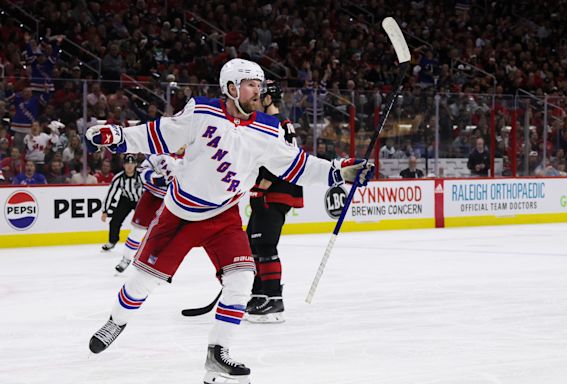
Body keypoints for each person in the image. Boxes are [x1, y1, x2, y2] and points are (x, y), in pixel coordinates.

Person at [84, 58, 372, 384]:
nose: (257, 90)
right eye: (250, 84)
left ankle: (217, 355)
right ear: (231, 88)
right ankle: (116, 321)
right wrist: (117, 135)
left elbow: (296, 165)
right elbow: (158, 133)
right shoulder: (202, 112)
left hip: (225, 216)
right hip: (180, 214)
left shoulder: (267, 129)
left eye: (259, 85)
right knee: (142, 282)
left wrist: (338, 171)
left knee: (241, 280)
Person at [244, 80, 303, 323]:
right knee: (253, 243)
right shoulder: (275, 123)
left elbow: (281, 160)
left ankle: (274, 301)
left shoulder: (278, 124)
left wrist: (261, 187)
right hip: (269, 190)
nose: (255, 102)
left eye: (259, 98)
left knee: (265, 244)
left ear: (269, 99)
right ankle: (260, 294)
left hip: (275, 191)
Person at [114, 153, 182, 273]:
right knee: (137, 230)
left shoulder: (190, 159)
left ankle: (152, 263)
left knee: (163, 235)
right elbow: (142, 168)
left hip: (170, 200)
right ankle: (126, 258)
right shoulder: (161, 153)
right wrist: (154, 178)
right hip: (150, 196)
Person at [100, 154, 143, 251]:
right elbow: (110, 194)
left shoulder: (142, 175)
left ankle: (148, 243)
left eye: (132, 164)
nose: (129, 166)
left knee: (146, 223)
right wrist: (105, 211)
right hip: (126, 200)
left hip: (141, 201)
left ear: (136, 164)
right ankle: (112, 241)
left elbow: (150, 189)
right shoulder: (118, 178)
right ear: (123, 165)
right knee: (115, 221)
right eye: (127, 163)